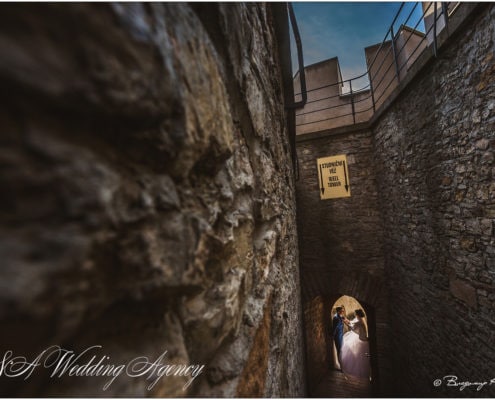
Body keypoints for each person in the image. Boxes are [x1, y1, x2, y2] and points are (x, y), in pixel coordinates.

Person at [340, 309, 371, 379]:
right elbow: (352, 322)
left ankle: (361, 373)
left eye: (355, 313)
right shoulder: (360, 318)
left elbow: (352, 328)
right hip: (363, 338)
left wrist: (345, 322)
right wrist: (345, 319)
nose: (354, 314)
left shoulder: (359, 321)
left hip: (362, 341)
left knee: (360, 358)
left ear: (357, 314)